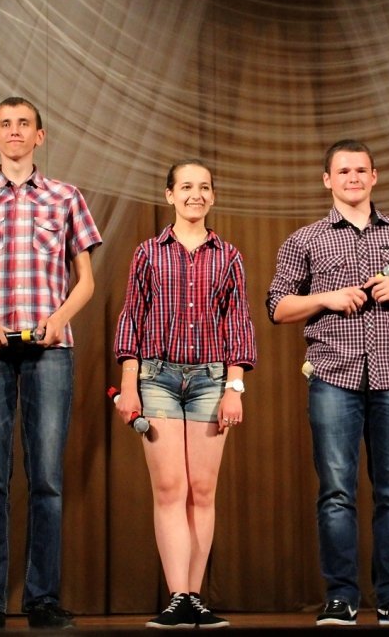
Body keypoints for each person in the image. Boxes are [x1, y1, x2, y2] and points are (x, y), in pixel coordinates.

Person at [0, 97, 102, 631]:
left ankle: (42, 599)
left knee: (47, 478)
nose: (14, 132)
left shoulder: (65, 197)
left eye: (24, 124)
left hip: (49, 349)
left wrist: (59, 319)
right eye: (5, 125)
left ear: (40, 136)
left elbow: (86, 280)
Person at [266, 139, 389, 627]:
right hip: (333, 378)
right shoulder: (306, 239)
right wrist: (325, 298)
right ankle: (341, 596)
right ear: (327, 180)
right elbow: (277, 306)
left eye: (360, 170)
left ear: (374, 176)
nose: (352, 178)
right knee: (336, 492)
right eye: (343, 171)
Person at [113, 159, 257, 629]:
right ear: (170, 195)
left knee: (203, 489)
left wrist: (234, 387)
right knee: (171, 487)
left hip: (212, 381)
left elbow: (238, 322)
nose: (196, 194)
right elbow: (132, 317)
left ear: (213, 196)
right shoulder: (147, 253)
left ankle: (195, 597)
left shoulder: (228, 255)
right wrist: (129, 386)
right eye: (187, 186)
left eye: (204, 187)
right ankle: (178, 596)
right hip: (156, 377)